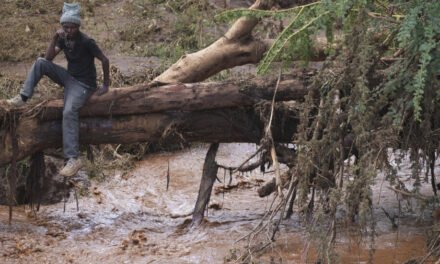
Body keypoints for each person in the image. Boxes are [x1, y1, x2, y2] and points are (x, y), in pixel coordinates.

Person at [6, 2, 110, 177]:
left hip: (84, 85)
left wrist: (106, 85)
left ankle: (73, 159)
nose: (68, 30)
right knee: (40, 63)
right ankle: (22, 97)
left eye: (71, 27)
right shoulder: (63, 39)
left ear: (77, 26)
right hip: (69, 79)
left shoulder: (86, 41)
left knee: (69, 111)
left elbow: (105, 60)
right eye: (65, 27)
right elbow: (48, 59)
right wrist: (55, 38)